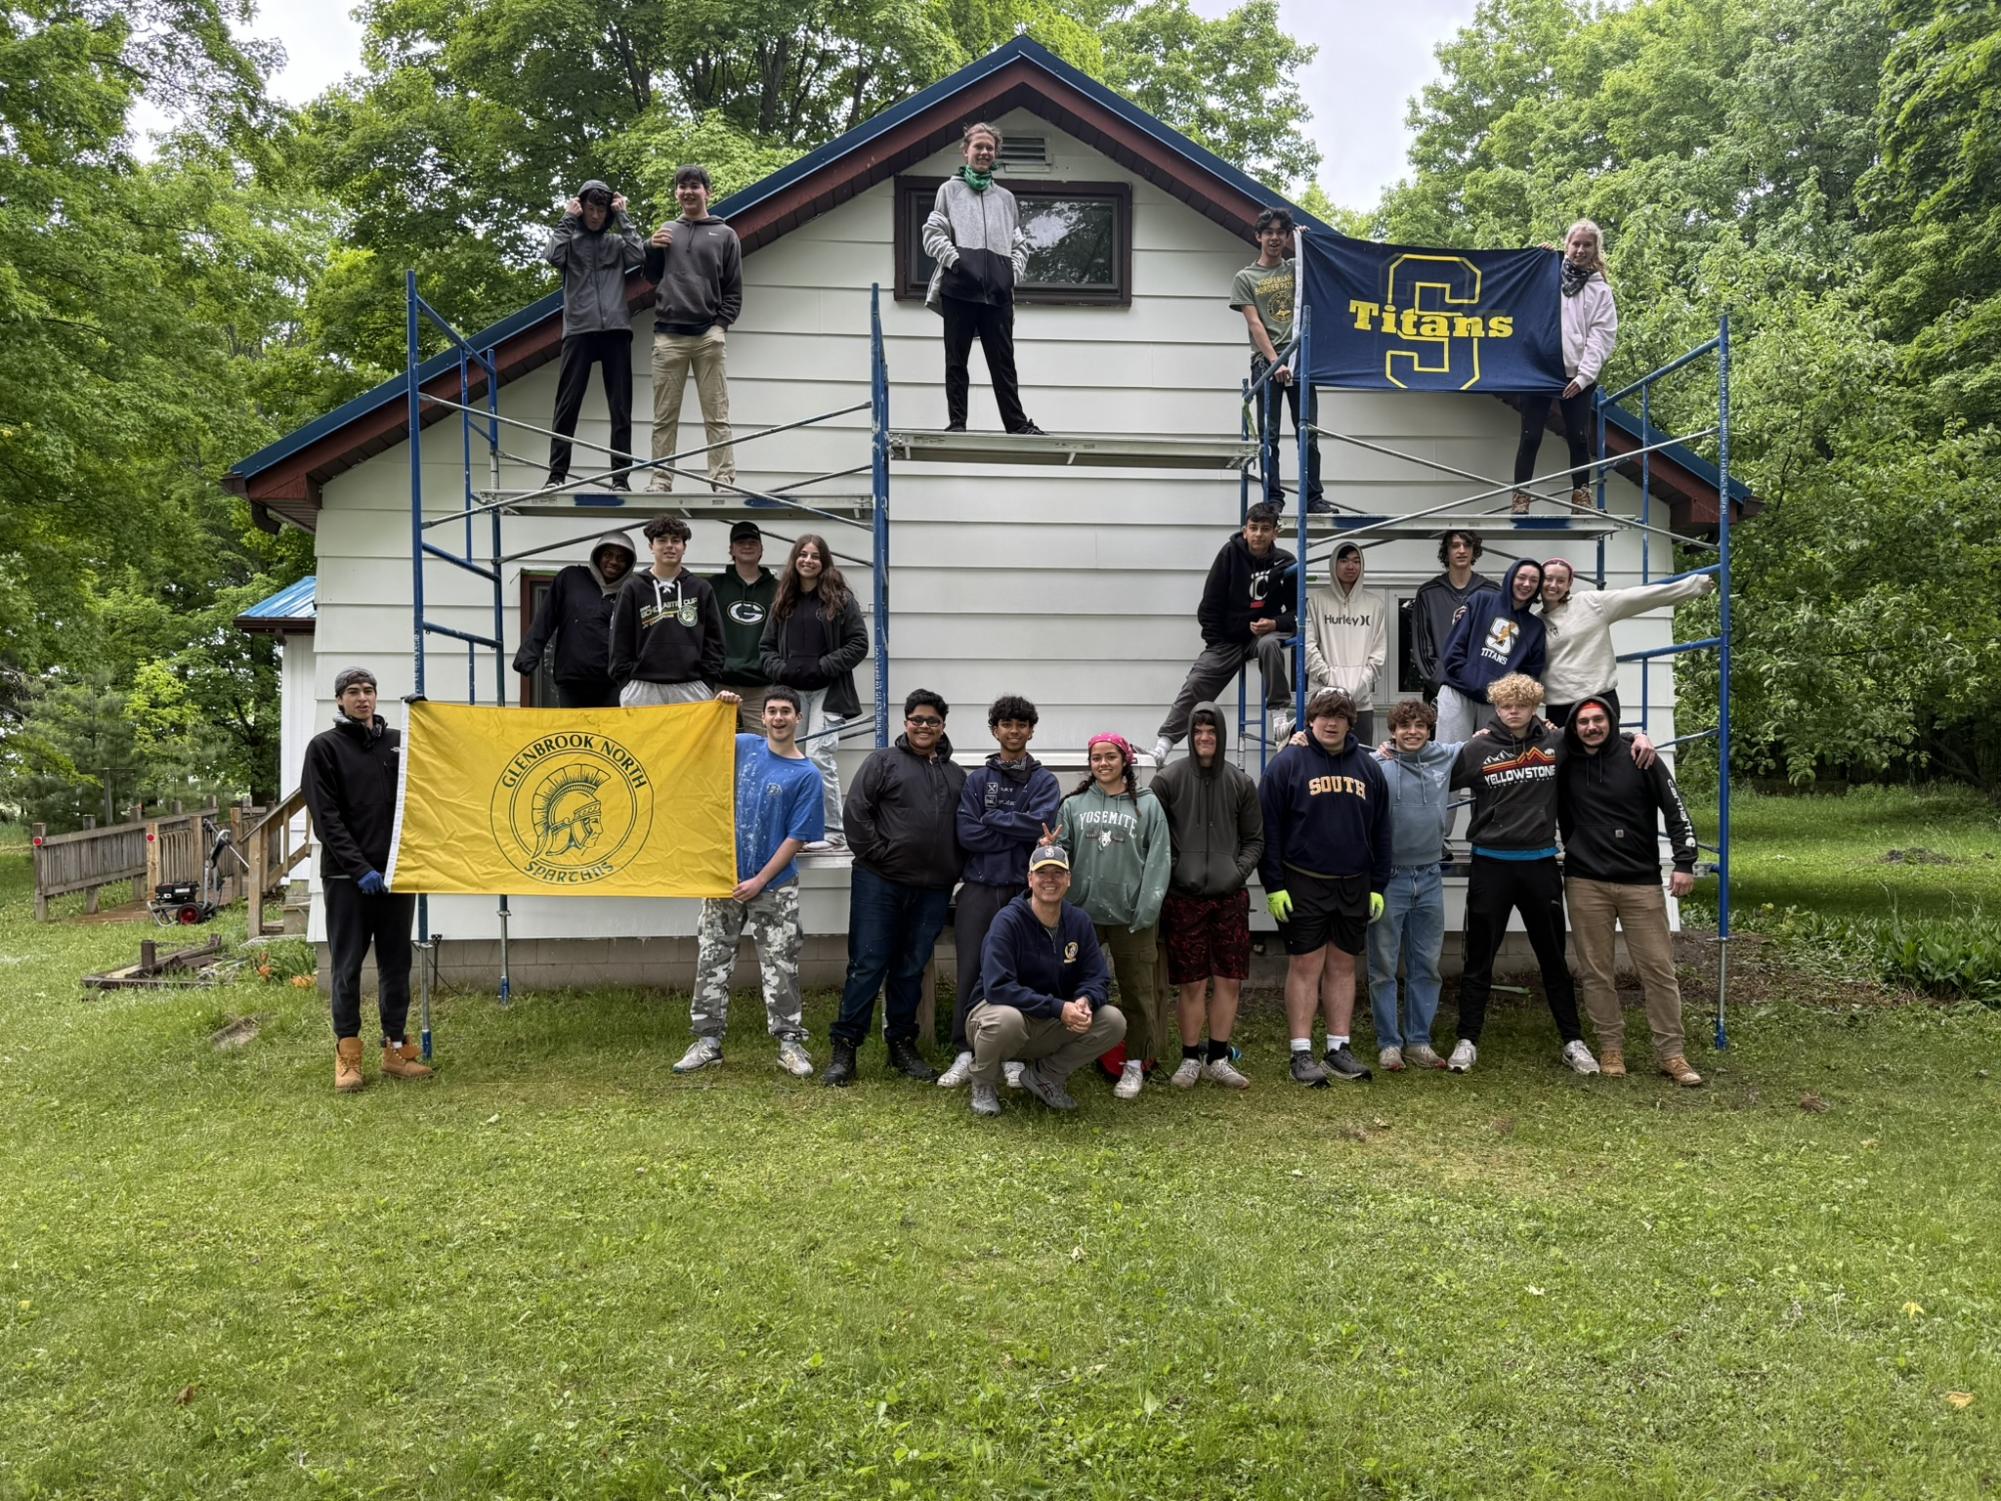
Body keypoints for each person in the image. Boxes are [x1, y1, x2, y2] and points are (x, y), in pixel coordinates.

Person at [1445, 673, 1624, 1075]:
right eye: (1505, 706)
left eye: (1521, 706)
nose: (1513, 712)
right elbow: (1433, 770)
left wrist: (1638, 739)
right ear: (1496, 707)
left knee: (1553, 957)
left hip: (1540, 862)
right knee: (1479, 957)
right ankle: (1467, 1039)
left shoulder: (1556, 742)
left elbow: (1600, 741)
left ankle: (1573, 1040)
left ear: (1534, 707)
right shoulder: (1478, 748)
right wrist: (1390, 750)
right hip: (1491, 863)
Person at [675, 688, 825, 1079]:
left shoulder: (807, 775)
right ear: (764, 717)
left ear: (798, 718)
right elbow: (704, 742)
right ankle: (707, 1042)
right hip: (724, 879)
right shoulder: (744, 746)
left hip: (774, 886)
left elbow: (796, 837)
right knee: (712, 958)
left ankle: (790, 1044)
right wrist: (723, 707)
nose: (778, 718)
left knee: (780, 964)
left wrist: (760, 879)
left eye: (786, 711)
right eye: (772, 711)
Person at [1558, 697, 1704, 1086]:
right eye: (1583, 721)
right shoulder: (1565, 760)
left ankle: (1672, 1054)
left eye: (1598, 719)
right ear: (1574, 727)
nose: (1591, 727)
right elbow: (1525, 738)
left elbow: (1676, 810)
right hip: (1585, 882)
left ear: (1611, 722)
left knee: (1658, 969)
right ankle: (1610, 1047)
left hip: (1640, 882)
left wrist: (1685, 862)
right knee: (1596, 971)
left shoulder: (1641, 757)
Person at [824, 690, 966, 1086]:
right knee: (867, 964)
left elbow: (967, 827)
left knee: (910, 968)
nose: (924, 726)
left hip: (933, 889)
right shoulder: (882, 762)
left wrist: (954, 866)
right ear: (906, 723)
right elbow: (856, 812)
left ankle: (901, 1044)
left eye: (932, 721)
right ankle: (845, 1047)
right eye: (917, 719)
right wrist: (881, 855)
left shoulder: (956, 776)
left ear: (942, 727)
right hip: (880, 882)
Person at [301, 667, 432, 1093]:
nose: (363, 698)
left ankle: (396, 1051)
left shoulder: (398, 744)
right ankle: (348, 1056)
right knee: (347, 968)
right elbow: (327, 818)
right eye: (353, 691)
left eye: (369, 690)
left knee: (397, 964)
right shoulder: (325, 748)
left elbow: (429, 785)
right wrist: (359, 869)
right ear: (340, 700)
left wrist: (428, 724)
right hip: (347, 879)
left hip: (396, 877)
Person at [1258, 688, 1390, 1086]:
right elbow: (1268, 829)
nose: (1331, 723)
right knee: (1306, 965)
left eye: (1340, 716)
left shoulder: (1368, 768)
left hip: (1354, 883)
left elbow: (1382, 829)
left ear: (1351, 722)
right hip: (1303, 881)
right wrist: (1273, 884)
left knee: (1343, 965)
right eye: (1323, 715)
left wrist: (1378, 884)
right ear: (1310, 720)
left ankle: (1338, 1048)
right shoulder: (1287, 763)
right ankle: (1301, 1052)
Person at [938, 695, 1063, 1090]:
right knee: (971, 968)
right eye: (1006, 724)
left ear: (1031, 731)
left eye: (1021, 724)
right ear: (995, 730)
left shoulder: (1044, 781)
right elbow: (967, 834)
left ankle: (1015, 1054)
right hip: (978, 888)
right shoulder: (977, 780)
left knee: (1023, 972)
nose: (1014, 731)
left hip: (1024, 893)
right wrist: (1016, 829)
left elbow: (1040, 826)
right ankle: (965, 1050)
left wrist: (993, 818)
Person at [1050, 734, 1172, 1099]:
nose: (1103, 763)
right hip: (1081, 916)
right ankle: (1062, 1058)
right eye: (1096, 758)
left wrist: (1147, 908)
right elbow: (1062, 854)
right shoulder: (1073, 804)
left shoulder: (1147, 805)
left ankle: (1135, 1063)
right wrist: (1050, 848)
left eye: (1110, 757)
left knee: (1138, 991)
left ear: (1125, 761)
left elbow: (1159, 859)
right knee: (1068, 988)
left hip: (1131, 916)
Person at [966, 844, 1127, 1117]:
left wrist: (1085, 1000)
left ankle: (1045, 1076)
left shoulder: (1079, 921)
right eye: (1042, 873)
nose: (1050, 880)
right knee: (1006, 1020)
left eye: (1057, 873)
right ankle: (983, 1083)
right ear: (1030, 879)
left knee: (1113, 1021)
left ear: (1068, 880)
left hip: (1051, 1020)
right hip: (998, 1016)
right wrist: (1058, 1008)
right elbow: (998, 988)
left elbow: (1097, 977)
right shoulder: (1008, 921)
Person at [1150, 702, 1262, 1089]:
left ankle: (1217, 1057)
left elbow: (1255, 840)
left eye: (1211, 731)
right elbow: (1155, 837)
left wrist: (1237, 872)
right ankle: (1189, 1057)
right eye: (1197, 731)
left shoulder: (1241, 783)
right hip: (1184, 898)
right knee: (1192, 982)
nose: (1204, 737)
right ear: (1189, 735)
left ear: (1221, 735)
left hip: (1230, 898)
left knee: (1229, 980)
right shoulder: (1168, 780)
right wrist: (1177, 868)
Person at [922, 121, 1045, 435]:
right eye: (978, 146)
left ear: (996, 154)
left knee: (1004, 363)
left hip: (998, 294)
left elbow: (1019, 245)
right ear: (966, 151)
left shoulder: (1005, 198)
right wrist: (957, 262)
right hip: (959, 289)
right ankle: (957, 423)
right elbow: (933, 234)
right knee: (956, 360)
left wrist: (1010, 275)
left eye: (990, 147)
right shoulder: (949, 191)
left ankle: (1017, 425)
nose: (984, 152)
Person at [1153, 502, 1298, 763]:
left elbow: (1297, 611)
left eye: (1265, 529)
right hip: (1227, 640)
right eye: (1253, 528)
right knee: (1196, 682)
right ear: (1245, 530)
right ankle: (1163, 745)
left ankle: (1279, 715)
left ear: (1275, 532)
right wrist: (1217, 641)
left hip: (1263, 634)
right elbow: (1210, 604)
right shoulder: (1230, 554)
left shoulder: (1285, 562)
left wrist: (1275, 623)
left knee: (1270, 645)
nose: (1258, 534)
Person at [1366, 699, 1464, 1072]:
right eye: (1405, 726)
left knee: (1426, 963)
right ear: (1392, 730)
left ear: (1429, 730)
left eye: (1420, 725)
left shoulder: (1444, 757)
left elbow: (1486, 742)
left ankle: (1419, 1041)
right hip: (1389, 878)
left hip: (1430, 876)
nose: (1412, 732)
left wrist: (1542, 728)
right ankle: (1389, 1043)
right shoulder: (1377, 765)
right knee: (1383, 965)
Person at [758, 533, 868, 847]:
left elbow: (859, 643)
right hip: (790, 695)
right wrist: (782, 670)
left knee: (819, 755)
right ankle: (792, 829)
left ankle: (832, 831)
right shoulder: (783, 600)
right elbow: (765, 648)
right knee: (787, 759)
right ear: (795, 560)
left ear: (824, 562)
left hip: (828, 692)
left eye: (815, 556)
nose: (808, 560)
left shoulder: (840, 599)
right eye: (803, 555)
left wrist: (824, 666)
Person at [644, 164, 742, 493]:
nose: (688, 192)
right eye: (682, 186)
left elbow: (734, 290)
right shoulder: (667, 230)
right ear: (677, 193)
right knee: (664, 417)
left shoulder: (725, 234)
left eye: (694, 186)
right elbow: (652, 276)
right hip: (668, 336)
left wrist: (720, 326)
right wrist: (650, 248)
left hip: (706, 337)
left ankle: (722, 479)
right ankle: (660, 480)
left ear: (707, 192)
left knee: (717, 415)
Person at [543, 180, 645, 490]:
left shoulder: (616, 242)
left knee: (620, 407)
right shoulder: (570, 241)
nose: (596, 216)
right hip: (579, 330)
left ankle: (620, 478)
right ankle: (556, 475)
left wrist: (623, 215)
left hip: (615, 329)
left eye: (601, 210)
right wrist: (567, 217)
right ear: (582, 208)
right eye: (590, 209)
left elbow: (638, 255)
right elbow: (552, 256)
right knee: (567, 405)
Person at [1513, 218, 1617, 513]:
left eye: (1587, 245)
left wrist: (1584, 376)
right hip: (1540, 370)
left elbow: (1602, 335)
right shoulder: (1548, 274)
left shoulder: (1600, 290)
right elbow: (1519, 292)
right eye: (1576, 244)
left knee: (1579, 437)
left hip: (1576, 376)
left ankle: (1581, 497)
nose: (1580, 250)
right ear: (1566, 245)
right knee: (1531, 435)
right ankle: (1520, 496)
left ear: (1596, 249)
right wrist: (1538, 259)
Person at [1539, 557, 1716, 726]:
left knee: (1605, 749)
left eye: (1561, 580)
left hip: (1598, 699)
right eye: (1548, 578)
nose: (1553, 585)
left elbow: (1641, 596)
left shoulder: (1590, 603)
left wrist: (1695, 585)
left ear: (1569, 584)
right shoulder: (1534, 622)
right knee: (1561, 749)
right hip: (1558, 708)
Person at [1232, 206, 1325, 512]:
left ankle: (1313, 499)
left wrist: (1305, 242)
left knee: (1308, 433)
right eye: (1268, 232)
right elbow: (1255, 323)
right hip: (1266, 362)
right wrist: (1275, 362)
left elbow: (1322, 267)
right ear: (1258, 236)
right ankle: (1273, 499)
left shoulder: (1295, 268)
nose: (1274, 238)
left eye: (1280, 233)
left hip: (1300, 360)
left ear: (1286, 238)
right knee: (1269, 436)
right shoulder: (1246, 277)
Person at [512, 531, 636, 709]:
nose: (614, 562)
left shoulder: (632, 591)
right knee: (573, 727)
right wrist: (527, 656)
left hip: (613, 683)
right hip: (572, 680)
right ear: (598, 556)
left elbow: (640, 635)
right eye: (608, 555)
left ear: (629, 564)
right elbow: (545, 618)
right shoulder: (571, 578)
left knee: (610, 728)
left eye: (621, 558)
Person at [608, 515, 724, 704]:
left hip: (693, 688)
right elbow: (619, 639)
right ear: (651, 546)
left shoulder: (701, 589)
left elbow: (715, 639)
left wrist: (707, 682)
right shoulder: (632, 588)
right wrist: (626, 682)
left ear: (684, 547)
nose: (669, 546)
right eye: (662, 540)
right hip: (641, 688)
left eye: (675, 540)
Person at [1434, 558, 1547, 743]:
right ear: (1511, 577)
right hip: (1457, 692)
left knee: (1490, 756)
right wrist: (1474, 681)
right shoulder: (1480, 600)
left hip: (1497, 703)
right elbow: (1454, 648)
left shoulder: (1535, 627)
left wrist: (1502, 694)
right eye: (1522, 577)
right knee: (1450, 754)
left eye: (1534, 580)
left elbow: (1529, 675)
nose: (1527, 584)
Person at [1303, 542, 1387, 745]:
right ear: (1334, 564)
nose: (1351, 566)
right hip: (1322, 700)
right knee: (1320, 759)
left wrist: (1361, 684)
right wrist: (1330, 680)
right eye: (1344, 560)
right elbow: (1308, 646)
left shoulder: (1375, 604)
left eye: (1356, 561)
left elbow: (1378, 653)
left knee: (1359, 757)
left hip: (1360, 704)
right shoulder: (1317, 601)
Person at [1410, 530, 1495, 704]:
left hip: (1482, 693)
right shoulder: (1428, 593)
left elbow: (1497, 644)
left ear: (1474, 551)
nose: (1461, 550)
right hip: (1441, 692)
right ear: (1446, 552)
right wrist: (1447, 684)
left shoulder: (1492, 592)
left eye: (1467, 545)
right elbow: (1423, 649)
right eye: (1455, 545)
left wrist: (1483, 682)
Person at [709, 521, 777, 730]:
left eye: (752, 542)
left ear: (761, 549)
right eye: (741, 542)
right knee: (717, 743)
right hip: (721, 683)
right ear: (731, 549)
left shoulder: (779, 589)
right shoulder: (713, 587)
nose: (747, 546)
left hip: (762, 686)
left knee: (762, 744)